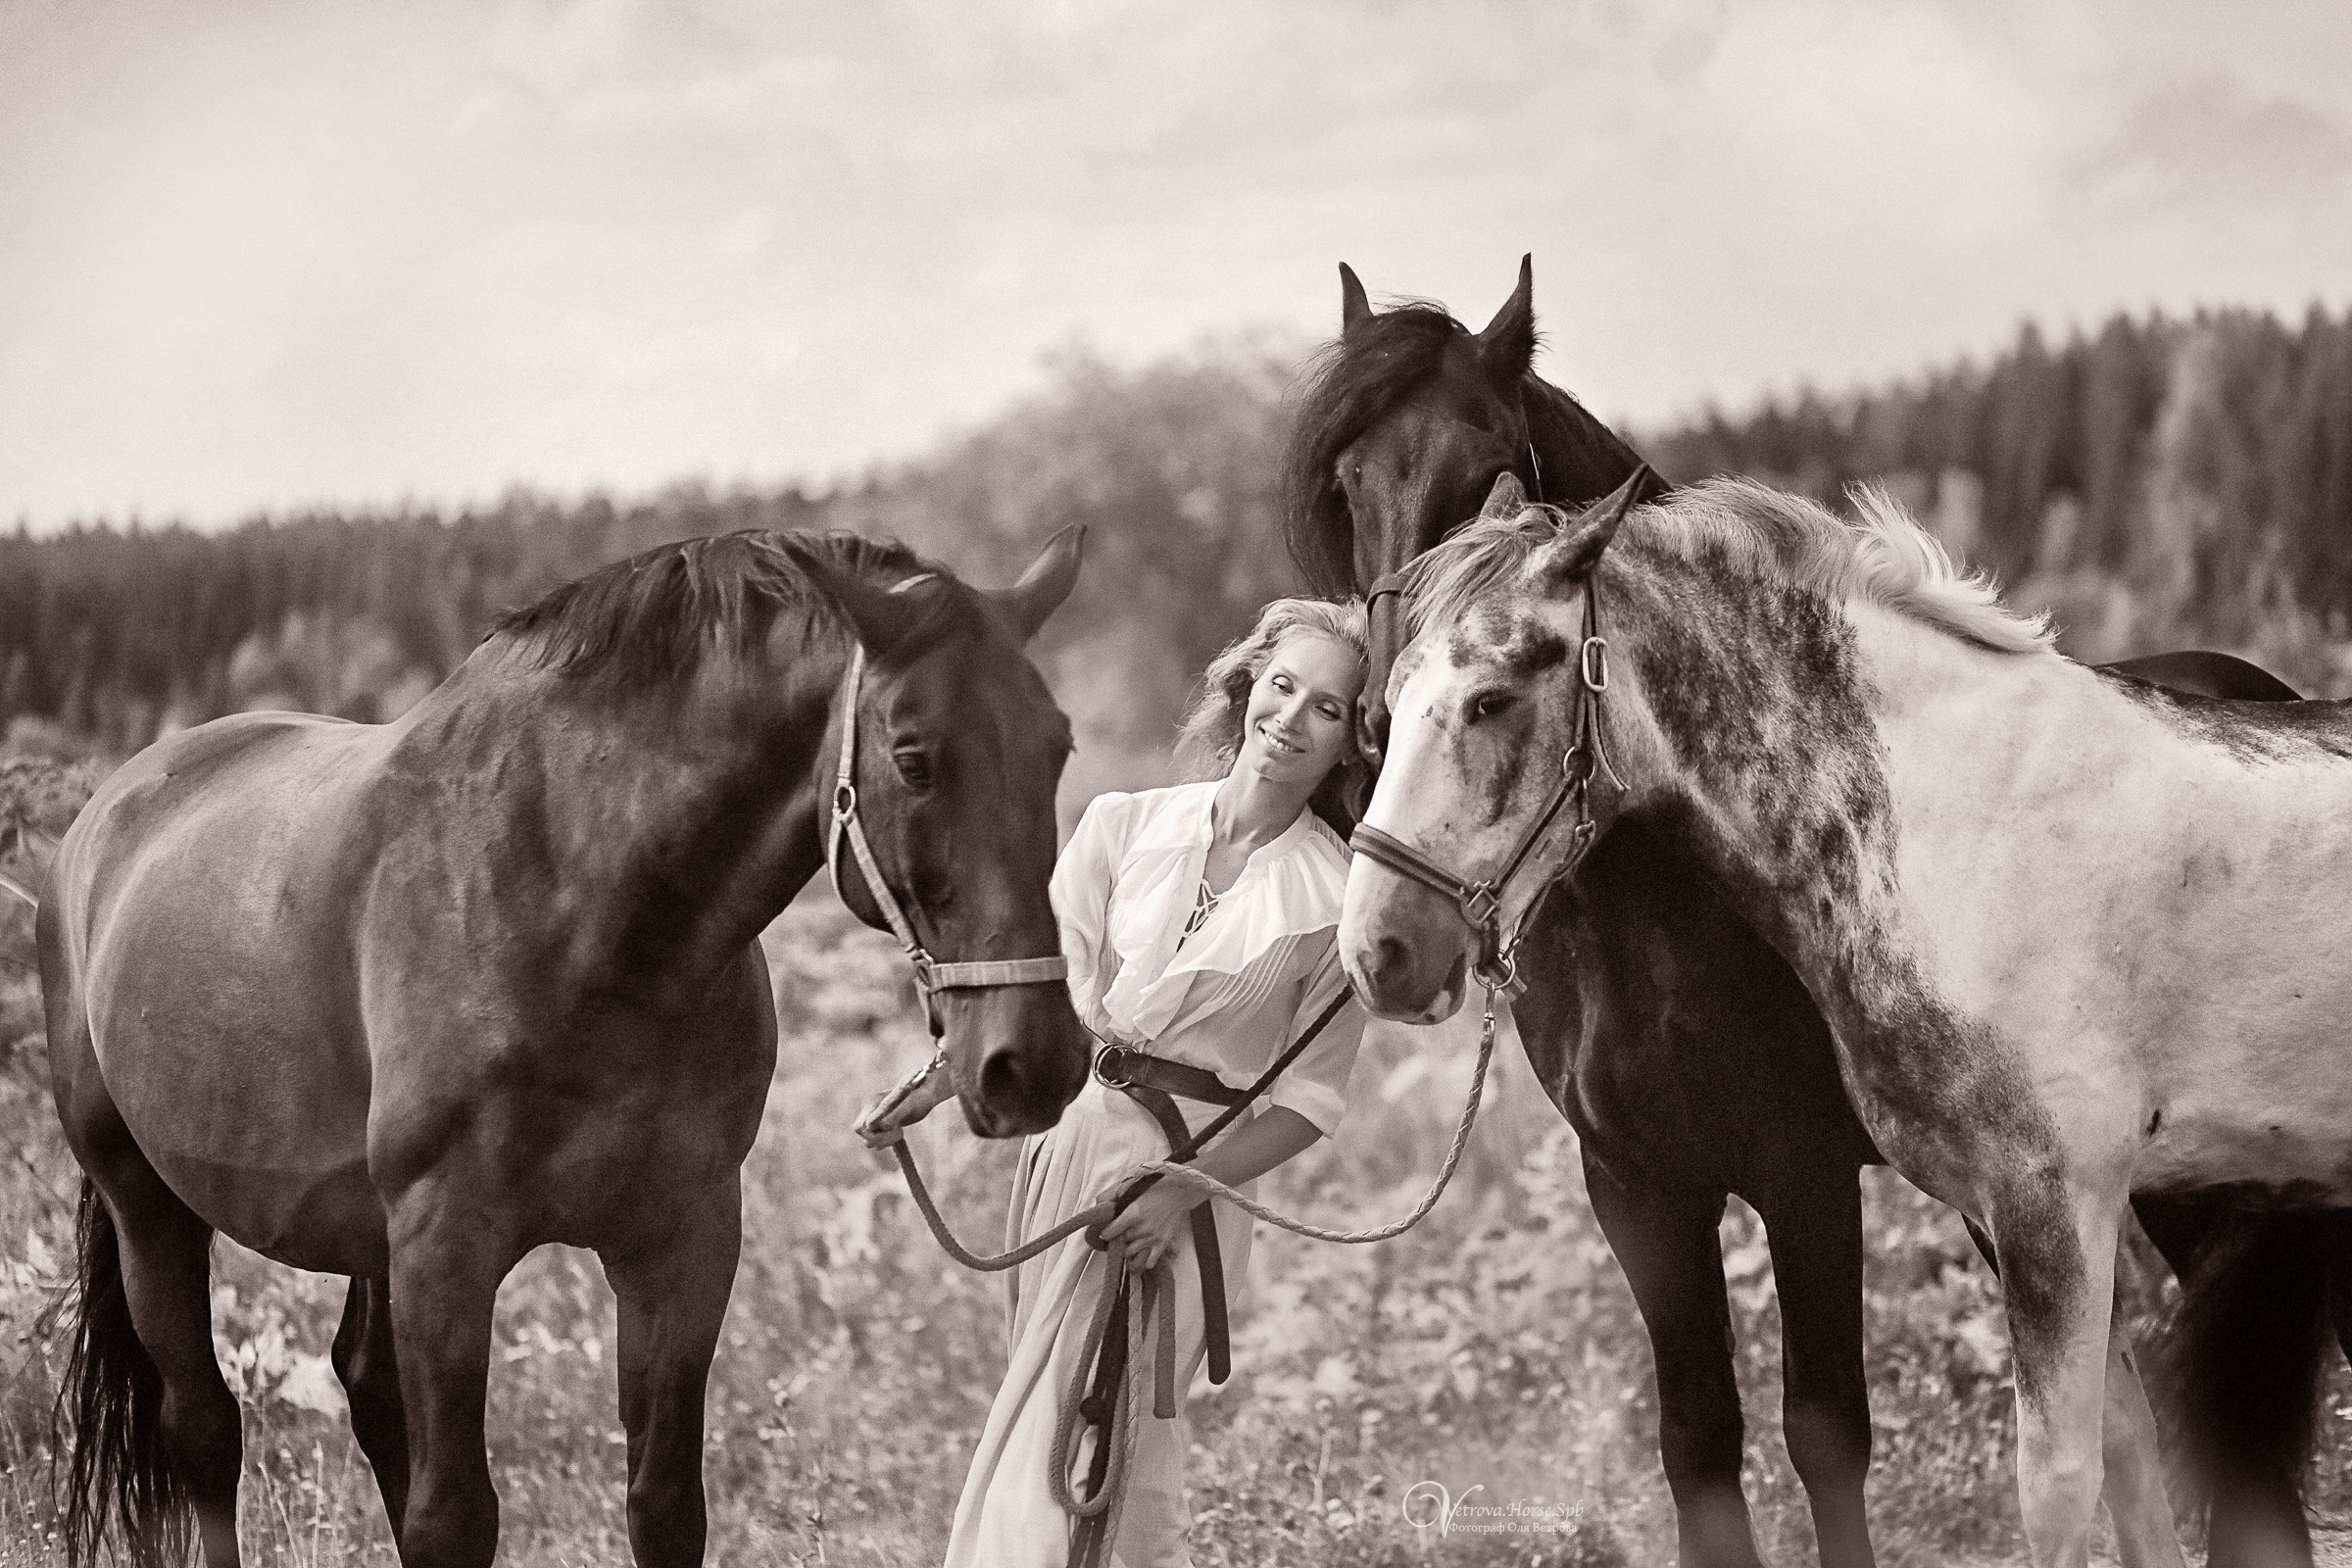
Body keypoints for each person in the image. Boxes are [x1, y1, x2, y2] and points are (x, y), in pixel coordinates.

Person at [901, 596, 1371, 1568]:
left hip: (1189, 1180)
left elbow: (1309, 1104)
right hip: (1069, 1148)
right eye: (1282, 684)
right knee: (1043, 1409)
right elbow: (1041, 994)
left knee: (1108, 1443)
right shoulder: (1120, 826)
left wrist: (1180, 1186)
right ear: (1247, 685)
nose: (1292, 715)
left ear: (1350, 744)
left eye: (1327, 707)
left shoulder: (1340, 904)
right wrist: (935, 1079)